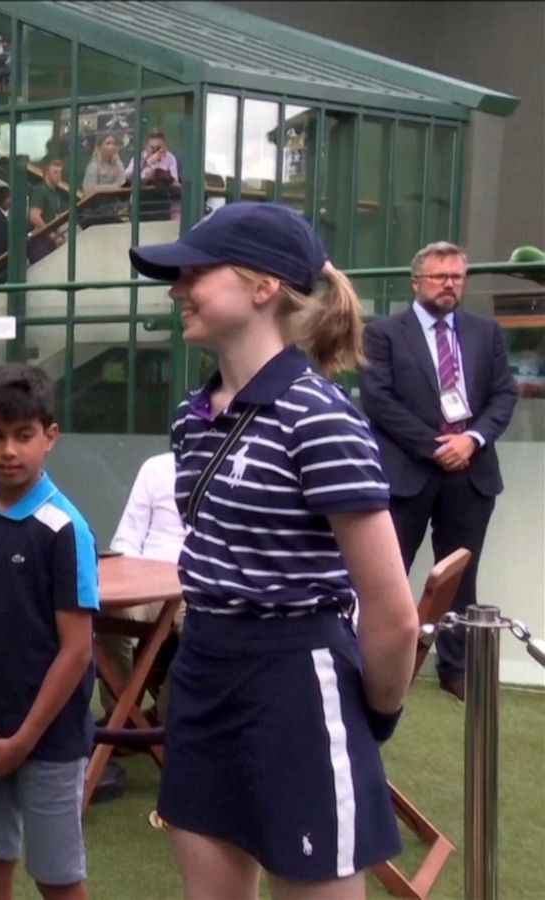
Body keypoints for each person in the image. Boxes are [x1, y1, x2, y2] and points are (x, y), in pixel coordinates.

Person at [129, 202, 421, 899]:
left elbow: (394, 613)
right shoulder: (191, 417)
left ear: (262, 287)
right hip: (199, 673)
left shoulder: (322, 418)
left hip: (295, 681)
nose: (177, 291)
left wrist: (369, 719)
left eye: (194, 273)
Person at [0, 363, 98, 900]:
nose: (9, 450)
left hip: (48, 740)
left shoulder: (66, 529)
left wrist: (24, 740)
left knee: (57, 879)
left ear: (49, 437)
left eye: (23, 436)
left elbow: (76, 651)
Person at [359, 242, 517, 701]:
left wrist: (472, 440)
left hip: (472, 472)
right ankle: (374, 661)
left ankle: (457, 670)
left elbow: (503, 396)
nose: (449, 284)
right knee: (390, 573)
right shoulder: (384, 334)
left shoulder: (485, 332)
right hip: (408, 472)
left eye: (456, 277)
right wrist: (436, 446)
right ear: (416, 282)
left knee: (461, 577)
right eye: (439, 276)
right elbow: (379, 401)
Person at [98, 452, 186, 717]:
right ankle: (122, 719)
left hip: (201, 586)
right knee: (113, 616)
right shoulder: (157, 468)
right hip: (150, 582)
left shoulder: (236, 470)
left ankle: (162, 721)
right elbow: (127, 539)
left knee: (204, 631)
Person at [27, 157, 68, 266]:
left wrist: (59, 235)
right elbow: (34, 217)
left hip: (50, 239)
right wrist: (52, 235)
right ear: (46, 172)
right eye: (55, 172)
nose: (59, 175)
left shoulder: (55, 195)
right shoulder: (40, 190)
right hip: (40, 242)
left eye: (60, 172)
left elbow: (55, 218)